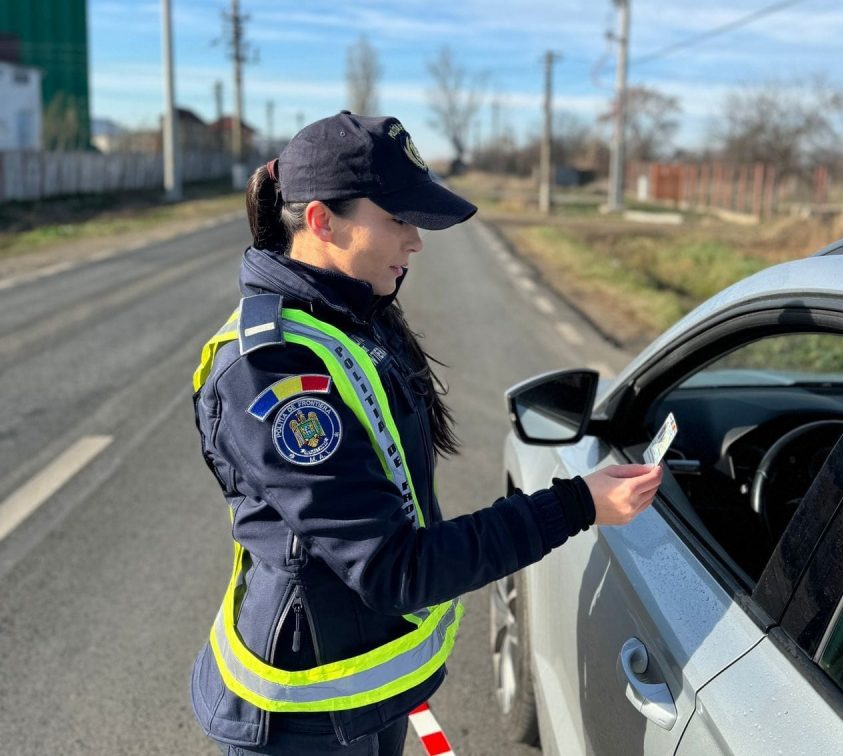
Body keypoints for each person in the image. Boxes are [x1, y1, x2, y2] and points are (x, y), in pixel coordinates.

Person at [189, 111, 663, 755]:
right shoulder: (273, 369)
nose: (415, 242)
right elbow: (392, 567)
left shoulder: (354, 309)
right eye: (398, 220)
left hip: (365, 686)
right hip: (305, 714)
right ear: (323, 222)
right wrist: (578, 504)